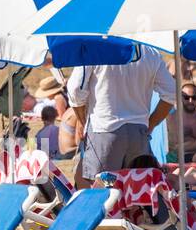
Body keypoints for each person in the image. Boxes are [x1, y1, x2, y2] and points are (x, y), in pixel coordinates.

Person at [67, 49, 176, 184]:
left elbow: (75, 90)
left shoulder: (93, 49)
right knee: (136, 194)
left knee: (99, 194)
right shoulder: (150, 53)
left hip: (105, 130)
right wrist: (151, 123)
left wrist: (82, 120)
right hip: (139, 134)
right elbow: (171, 92)